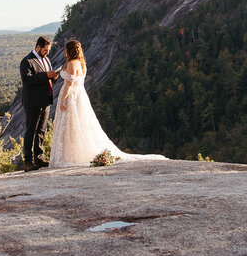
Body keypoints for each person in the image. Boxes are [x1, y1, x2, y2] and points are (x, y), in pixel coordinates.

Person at [49, 39, 165, 168]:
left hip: (72, 97)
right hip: (80, 96)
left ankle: (70, 155)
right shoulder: (81, 63)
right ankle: (74, 153)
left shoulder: (71, 64)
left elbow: (69, 84)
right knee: (80, 124)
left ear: (68, 50)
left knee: (70, 124)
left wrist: (63, 99)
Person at [19, 36, 58, 171]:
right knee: (31, 131)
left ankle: (39, 157)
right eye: (45, 50)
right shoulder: (27, 61)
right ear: (38, 47)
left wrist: (53, 77)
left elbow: (47, 79)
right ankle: (28, 161)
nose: (47, 52)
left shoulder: (46, 60)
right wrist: (46, 76)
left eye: (48, 50)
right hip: (33, 102)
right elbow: (27, 80)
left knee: (41, 131)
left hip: (45, 101)